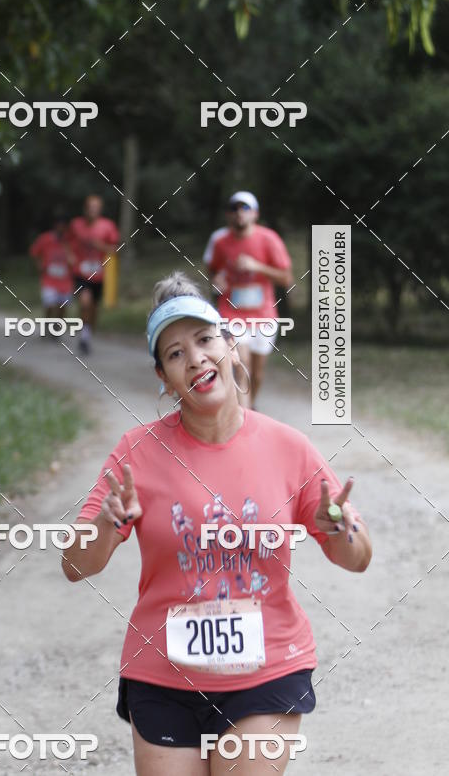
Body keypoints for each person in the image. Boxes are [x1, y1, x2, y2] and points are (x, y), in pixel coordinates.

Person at [62, 271, 371, 775]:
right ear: (163, 377)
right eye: (176, 353)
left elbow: (357, 559)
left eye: (205, 340)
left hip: (265, 668)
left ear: (231, 345)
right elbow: (75, 565)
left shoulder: (288, 448)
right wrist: (105, 524)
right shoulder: (136, 453)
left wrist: (340, 529)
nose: (196, 358)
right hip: (162, 675)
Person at [208, 191, 292, 409]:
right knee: (241, 365)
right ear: (228, 215)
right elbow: (214, 272)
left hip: (263, 315)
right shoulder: (220, 242)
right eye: (233, 209)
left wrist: (258, 267)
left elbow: (287, 278)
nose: (239, 214)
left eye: (244, 208)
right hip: (231, 312)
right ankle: (243, 415)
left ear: (255, 213)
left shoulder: (269, 239)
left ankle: (250, 408)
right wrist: (217, 281)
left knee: (256, 373)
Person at [68, 195, 120, 354]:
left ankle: (87, 332)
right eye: (90, 206)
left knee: (94, 308)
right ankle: (84, 337)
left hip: (99, 274)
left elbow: (115, 249)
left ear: (100, 209)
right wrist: (70, 256)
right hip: (81, 272)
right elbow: (67, 243)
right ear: (85, 208)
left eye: (96, 207)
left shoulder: (108, 226)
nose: (92, 210)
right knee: (85, 302)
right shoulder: (76, 225)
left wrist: (101, 246)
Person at [29, 212, 73, 328]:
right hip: (49, 280)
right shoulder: (45, 238)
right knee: (50, 304)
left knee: (62, 306)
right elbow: (34, 252)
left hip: (65, 281)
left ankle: (58, 326)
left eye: (64, 225)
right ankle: (47, 323)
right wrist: (39, 265)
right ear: (55, 225)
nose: (61, 228)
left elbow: (75, 259)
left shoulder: (70, 240)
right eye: (59, 225)